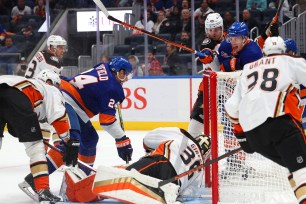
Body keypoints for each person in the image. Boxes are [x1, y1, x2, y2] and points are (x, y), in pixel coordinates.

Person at [225, 36, 306, 203]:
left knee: (295, 168)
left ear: (263, 53)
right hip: (280, 123)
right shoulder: (290, 60)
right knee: (303, 171)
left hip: (254, 135)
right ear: (284, 51)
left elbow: (231, 108)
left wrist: (242, 136)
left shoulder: (248, 68)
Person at [62, 127, 211, 203]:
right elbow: (188, 193)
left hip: (159, 162)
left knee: (119, 176)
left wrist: (147, 153)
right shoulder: (200, 169)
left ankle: (75, 190)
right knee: (136, 189)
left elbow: (148, 140)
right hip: (173, 183)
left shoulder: (181, 137)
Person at [0, 70, 79, 203]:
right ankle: (43, 191)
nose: (59, 89)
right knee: (36, 148)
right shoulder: (51, 90)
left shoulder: (29, 83)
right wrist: (67, 142)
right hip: (16, 98)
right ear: (50, 82)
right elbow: (58, 116)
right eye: (57, 85)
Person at [47, 56, 134, 174]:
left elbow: (96, 87)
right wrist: (122, 140)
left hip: (65, 93)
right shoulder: (113, 88)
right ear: (120, 72)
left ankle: (83, 175)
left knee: (90, 139)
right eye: (126, 75)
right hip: (69, 101)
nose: (126, 79)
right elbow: (106, 121)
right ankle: (38, 177)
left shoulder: (103, 66)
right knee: (71, 143)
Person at [24, 34, 67, 151]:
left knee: (47, 124)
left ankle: (46, 152)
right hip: (37, 96)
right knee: (57, 116)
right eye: (60, 47)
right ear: (52, 47)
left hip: (30, 92)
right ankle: (57, 151)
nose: (63, 50)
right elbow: (55, 84)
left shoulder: (41, 55)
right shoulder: (52, 61)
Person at [188, 12, 224, 137]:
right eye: (210, 30)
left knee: (230, 124)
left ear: (222, 28)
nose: (213, 32)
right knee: (194, 125)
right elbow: (206, 51)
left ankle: (233, 152)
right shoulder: (207, 43)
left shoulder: (230, 41)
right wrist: (207, 57)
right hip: (208, 89)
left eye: (216, 29)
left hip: (227, 90)